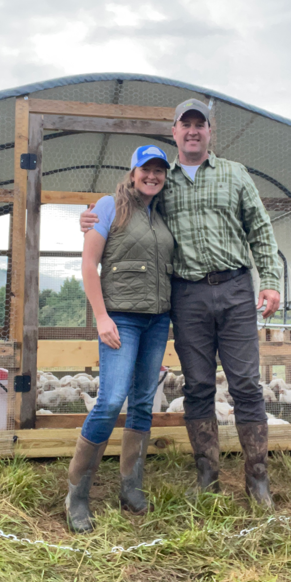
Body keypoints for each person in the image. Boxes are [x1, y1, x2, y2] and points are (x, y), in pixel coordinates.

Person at [81, 99, 282, 508]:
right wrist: (88, 217)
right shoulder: (162, 181)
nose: (192, 131)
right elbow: (125, 207)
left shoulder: (235, 174)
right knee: (199, 386)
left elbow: (259, 227)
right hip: (186, 295)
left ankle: (256, 478)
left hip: (235, 288)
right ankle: (207, 477)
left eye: (200, 124)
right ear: (173, 132)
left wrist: (271, 281)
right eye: (184, 124)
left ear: (210, 132)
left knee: (245, 383)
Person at [65, 145, 175, 533]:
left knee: (143, 401)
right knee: (111, 399)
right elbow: (88, 263)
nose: (153, 175)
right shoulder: (109, 206)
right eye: (146, 169)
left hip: (157, 319)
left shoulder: (163, 213)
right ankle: (77, 493)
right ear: (132, 173)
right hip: (120, 320)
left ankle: (131, 486)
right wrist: (101, 317)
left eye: (159, 170)